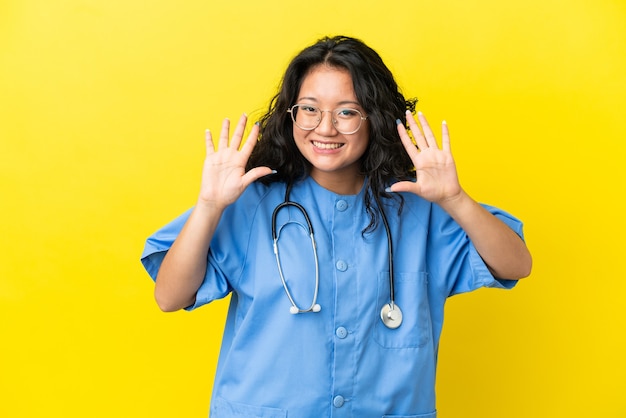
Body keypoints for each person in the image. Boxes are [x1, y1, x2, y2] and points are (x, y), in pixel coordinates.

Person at [141, 35, 532, 418]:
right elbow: (170, 297)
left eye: (346, 111)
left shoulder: (420, 205)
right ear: (291, 114)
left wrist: (455, 199)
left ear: (374, 118)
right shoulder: (249, 201)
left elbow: (516, 264)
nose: (325, 128)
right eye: (309, 109)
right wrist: (209, 206)